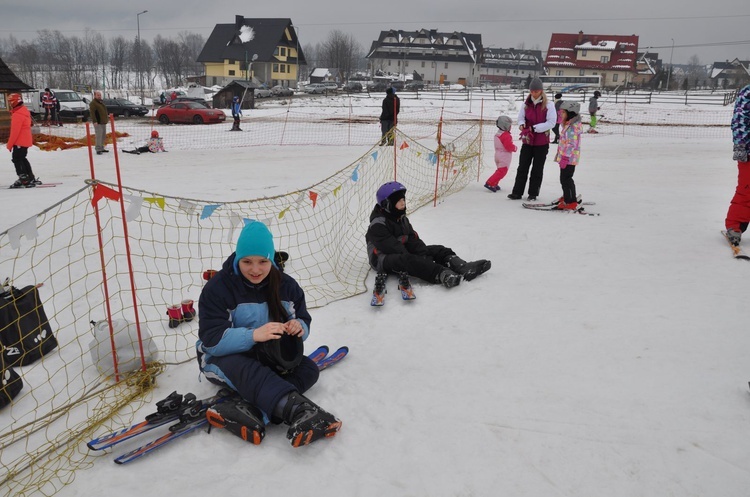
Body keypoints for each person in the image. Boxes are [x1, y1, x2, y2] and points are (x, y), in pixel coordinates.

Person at [196, 221, 341, 448]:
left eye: (263, 261)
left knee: (308, 369)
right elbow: (211, 341)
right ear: (237, 259)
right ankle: (298, 410)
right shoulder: (218, 288)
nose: (255, 270)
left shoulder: (286, 286)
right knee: (248, 369)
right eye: (247, 262)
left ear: (271, 259)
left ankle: (254, 410)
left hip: (268, 355)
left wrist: (298, 328)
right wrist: (254, 335)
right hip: (221, 359)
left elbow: (303, 319)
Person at [366, 181, 491, 289]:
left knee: (438, 249)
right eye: (398, 201)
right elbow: (392, 247)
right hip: (381, 258)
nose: (403, 202)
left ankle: (462, 267)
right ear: (387, 204)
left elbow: (412, 238)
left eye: (403, 199)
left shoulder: (400, 218)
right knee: (409, 260)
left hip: (400, 250)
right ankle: (441, 274)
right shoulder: (378, 224)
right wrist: (422, 261)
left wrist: (424, 253)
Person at [507, 77, 556, 201]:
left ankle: (533, 193)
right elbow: (520, 118)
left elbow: (551, 122)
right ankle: (517, 192)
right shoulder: (526, 104)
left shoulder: (549, 105)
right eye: (532, 91)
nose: (534, 93)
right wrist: (521, 124)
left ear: (541, 91)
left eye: (536, 91)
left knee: (537, 168)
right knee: (522, 167)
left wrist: (535, 128)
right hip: (528, 140)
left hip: (541, 142)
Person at [725, 83, 750, 246]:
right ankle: (735, 226)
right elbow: (739, 120)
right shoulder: (747, 93)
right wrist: (741, 145)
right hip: (749, 152)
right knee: (747, 190)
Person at [6, 93, 40, 188]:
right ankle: (30, 177)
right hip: (25, 140)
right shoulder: (23, 111)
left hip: (19, 141)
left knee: (17, 159)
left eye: (10, 102)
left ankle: (23, 178)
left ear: (14, 102)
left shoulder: (17, 115)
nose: (9, 104)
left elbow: (14, 132)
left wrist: (9, 144)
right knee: (22, 158)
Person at [554, 101, 584, 210]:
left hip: (569, 159)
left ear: (570, 113)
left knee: (566, 179)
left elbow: (572, 144)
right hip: (566, 158)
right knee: (564, 178)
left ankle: (570, 201)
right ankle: (567, 196)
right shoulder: (568, 125)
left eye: (563, 112)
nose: (561, 114)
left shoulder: (572, 127)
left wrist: (565, 157)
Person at [484, 115, 517, 192]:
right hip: (504, 156)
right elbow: (508, 146)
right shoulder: (506, 135)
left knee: (499, 170)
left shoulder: (498, 133)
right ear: (505, 126)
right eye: (509, 126)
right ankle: (490, 182)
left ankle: (494, 183)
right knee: (502, 171)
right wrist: (514, 148)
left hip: (497, 155)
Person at [89, 91, 109, 155]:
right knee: (99, 135)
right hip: (98, 122)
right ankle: (98, 149)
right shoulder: (93, 103)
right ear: (94, 96)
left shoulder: (100, 102)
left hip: (103, 122)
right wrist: (94, 121)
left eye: (100, 95)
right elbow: (92, 113)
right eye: (98, 95)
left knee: (103, 135)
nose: (99, 96)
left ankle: (102, 147)